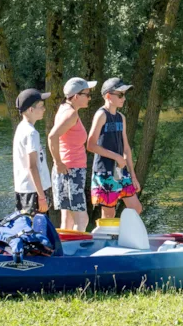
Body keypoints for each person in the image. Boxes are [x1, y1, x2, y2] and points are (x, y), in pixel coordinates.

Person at [87, 77, 142, 219]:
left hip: (119, 171)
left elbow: (126, 148)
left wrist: (133, 176)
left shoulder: (121, 117)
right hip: (104, 171)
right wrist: (116, 157)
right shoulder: (101, 115)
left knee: (136, 208)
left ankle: (122, 231)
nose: (124, 98)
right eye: (120, 95)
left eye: (124, 95)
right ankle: (107, 233)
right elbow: (91, 145)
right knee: (108, 214)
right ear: (108, 96)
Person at [47, 77, 96, 232]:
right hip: (71, 170)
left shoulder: (64, 109)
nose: (89, 98)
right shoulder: (71, 114)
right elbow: (52, 136)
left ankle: (65, 246)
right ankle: (77, 246)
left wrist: (59, 163)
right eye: (87, 94)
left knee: (67, 219)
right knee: (82, 220)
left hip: (67, 170)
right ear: (76, 96)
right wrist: (58, 162)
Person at [13, 88, 52, 214]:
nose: (44, 109)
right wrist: (41, 197)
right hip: (33, 192)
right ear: (31, 110)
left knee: (26, 224)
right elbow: (32, 166)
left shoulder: (21, 128)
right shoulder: (31, 133)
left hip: (24, 189)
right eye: (41, 106)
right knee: (37, 225)